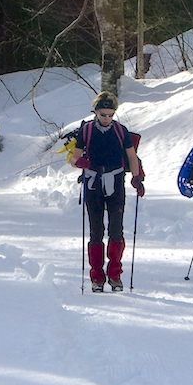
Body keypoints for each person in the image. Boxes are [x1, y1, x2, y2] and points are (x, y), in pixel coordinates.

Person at [69, 91, 144, 292]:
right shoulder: (86, 131)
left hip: (116, 181)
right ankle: (97, 277)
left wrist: (137, 177)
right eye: (103, 114)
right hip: (93, 183)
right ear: (96, 112)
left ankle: (114, 274)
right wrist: (80, 162)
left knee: (116, 229)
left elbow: (131, 156)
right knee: (96, 231)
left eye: (110, 114)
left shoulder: (121, 130)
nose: (107, 118)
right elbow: (73, 157)